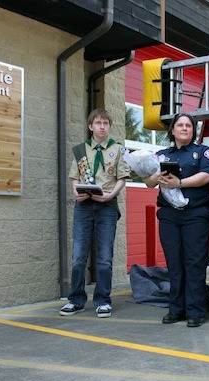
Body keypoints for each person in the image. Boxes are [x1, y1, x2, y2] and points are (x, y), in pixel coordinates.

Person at [144, 113, 209, 327]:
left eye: (188, 125)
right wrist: (155, 177)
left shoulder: (203, 152)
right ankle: (176, 309)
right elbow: (148, 182)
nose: (184, 128)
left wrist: (180, 183)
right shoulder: (160, 155)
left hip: (195, 215)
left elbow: (207, 176)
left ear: (193, 130)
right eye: (180, 125)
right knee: (174, 263)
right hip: (169, 215)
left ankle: (195, 310)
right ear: (172, 130)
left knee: (194, 262)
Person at [60, 108, 130, 318]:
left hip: (106, 207)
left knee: (104, 257)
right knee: (78, 256)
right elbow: (75, 176)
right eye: (98, 123)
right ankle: (76, 300)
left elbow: (122, 178)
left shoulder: (117, 149)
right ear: (90, 126)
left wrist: (110, 196)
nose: (102, 127)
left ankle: (102, 300)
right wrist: (75, 191)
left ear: (109, 126)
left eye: (106, 123)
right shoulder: (81, 150)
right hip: (84, 206)